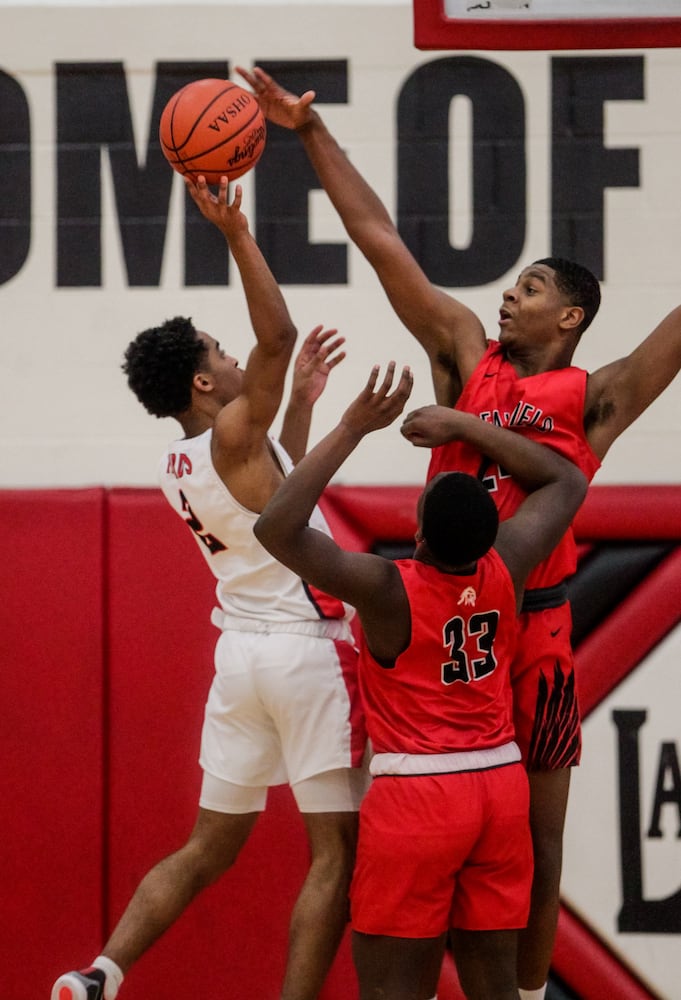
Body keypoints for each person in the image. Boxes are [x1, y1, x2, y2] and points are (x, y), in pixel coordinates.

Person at [236, 64, 681, 1000]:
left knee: (542, 832)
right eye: (508, 288)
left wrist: (464, 434)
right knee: (421, 812)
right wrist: (308, 134)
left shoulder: (594, 400)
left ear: (569, 317)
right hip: (451, 613)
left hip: (539, 621)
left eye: (528, 290)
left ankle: (522, 988)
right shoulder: (461, 351)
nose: (506, 298)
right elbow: (379, 239)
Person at [51, 176, 368, 1000]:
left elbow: (276, 489)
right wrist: (233, 229)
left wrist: (298, 406)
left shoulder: (181, 462)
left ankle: (98, 974)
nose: (234, 358)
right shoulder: (231, 428)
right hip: (306, 655)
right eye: (217, 352)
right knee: (336, 853)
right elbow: (280, 331)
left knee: (207, 847)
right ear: (200, 383)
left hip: (242, 662)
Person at [253, 361, 588, 1000]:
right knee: (494, 984)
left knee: (392, 989)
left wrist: (353, 426)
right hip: (498, 789)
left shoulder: (388, 589)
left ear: (418, 530)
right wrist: (470, 427)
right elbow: (566, 479)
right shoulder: (508, 563)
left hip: (419, 797)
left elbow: (276, 528)